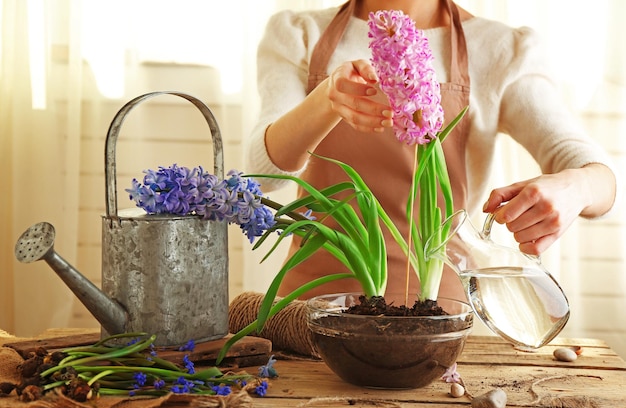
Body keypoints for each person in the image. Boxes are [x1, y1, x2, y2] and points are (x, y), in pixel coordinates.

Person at [245, 0, 618, 302]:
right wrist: (326, 100)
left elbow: (597, 175)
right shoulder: (298, 34)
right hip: (313, 311)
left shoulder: (502, 48)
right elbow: (266, 171)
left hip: (440, 312)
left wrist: (574, 187)